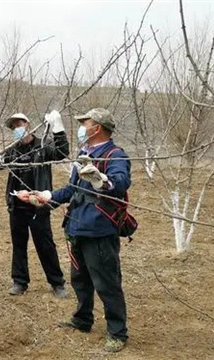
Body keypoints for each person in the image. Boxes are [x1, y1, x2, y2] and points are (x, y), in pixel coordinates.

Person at [16, 108, 130, 353]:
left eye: (85, 123)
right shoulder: (83, 154)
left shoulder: (115, 155)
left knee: (107, 282)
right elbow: (71, 189)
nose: (81, 128)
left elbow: (119, 184)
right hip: (77, 227)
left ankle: (117, 332)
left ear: (97, 127)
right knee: (80, 279)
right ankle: (82, 319)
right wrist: (47, 197)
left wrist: (102, 180)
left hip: (99, 230)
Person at [0, 111, 69, 297]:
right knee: (19, 245)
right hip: (17, 208)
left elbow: (62, 153)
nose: (17, 128)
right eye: (14, 126)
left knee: (45, 245)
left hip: (38, 206)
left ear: (28, 125)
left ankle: (57, 283)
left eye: (20, 124)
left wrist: (58, 128)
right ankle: (20, 282)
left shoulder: (42, 146)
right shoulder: (12, 150)